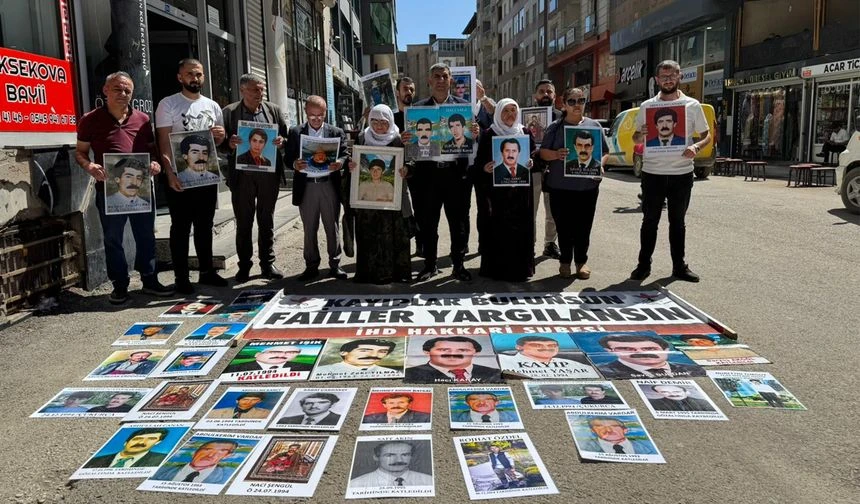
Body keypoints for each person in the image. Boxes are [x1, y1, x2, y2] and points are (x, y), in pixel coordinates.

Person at [75, 72, 173, 304]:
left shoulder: (143, 119)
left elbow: (151, 150)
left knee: (146, 235)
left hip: (140, 189)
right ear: (105, 91)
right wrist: (89, 166)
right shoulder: (90, 120)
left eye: (127, 90)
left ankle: (149, 280)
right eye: (118, 89)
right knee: (113, 238)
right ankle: (120, 285)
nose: (123, 94)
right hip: (109, 190)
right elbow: (79, 152)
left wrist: (156, 163)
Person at [630, 60, 710, 283]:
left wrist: (696, 146)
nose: (667, 80)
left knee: (678, 222)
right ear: (656, 79)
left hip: (682, 174)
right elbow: (636, 137)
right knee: (649, 221)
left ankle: (679, 267)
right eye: (663, 76)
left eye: (671, 75)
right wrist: (640, 134)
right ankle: (643, 266)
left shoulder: (692, 105)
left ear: (679, 77)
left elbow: (707, 136)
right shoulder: (646, 107)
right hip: (652, 172)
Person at [155, 58, 227, 294]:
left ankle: (206, 271)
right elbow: (164, 141)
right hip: (180, 176)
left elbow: (218, 141)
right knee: (181, 227)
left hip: (206, 175)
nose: (194, 79)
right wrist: (169, 173)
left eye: (198, 74)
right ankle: (181, 276)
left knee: (205, 225)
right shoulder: (168, 104)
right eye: (189, 74)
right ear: (180, 77)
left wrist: (220, 135)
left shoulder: (213, 105)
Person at [406, 63, 473, 282]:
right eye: (437, 76)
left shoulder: (464, 107)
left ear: (451, 80)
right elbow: (411, 146)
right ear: (429, 80)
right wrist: (405, 139)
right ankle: (429, 264)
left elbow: (471, 142)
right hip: (428, 176)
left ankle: (459, 265)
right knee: (428, 223)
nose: (441, 80)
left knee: (458, 223)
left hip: (455, 175)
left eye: (445, 76)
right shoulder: (418, 109)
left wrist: (476, 133)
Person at [222, 73, 290, 282]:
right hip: (242, 178)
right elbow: (220, 143)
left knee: (266, 220)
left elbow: (285, 137)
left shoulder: (273, 111)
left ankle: (267, 264)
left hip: (268, 176)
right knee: (244, 222)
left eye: (261, 89)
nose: (259, 93)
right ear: (242, 90)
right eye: (254, 90)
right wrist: (230, 144)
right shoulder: (230, 113)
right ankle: (244, 267)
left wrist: (281, 141)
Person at [540, 87, 607, 280]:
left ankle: (581, 262)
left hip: (587, 188)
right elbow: (542, 152)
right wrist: (555, 154)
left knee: (583, 226)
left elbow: (604, 151)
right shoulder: (555, 127)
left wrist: (600, 165)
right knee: (563, 226)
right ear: (564, 104)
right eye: (572, 101)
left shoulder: (594, 125)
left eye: (581, 100)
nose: (577, 105)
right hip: (560, 187)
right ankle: (564, 262)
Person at [286, 95, 348, 282]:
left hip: (328, 184)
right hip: (307, 187)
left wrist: (340, 162)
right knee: (309, 228)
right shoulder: (295, 132)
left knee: (332, 226)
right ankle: (311, 266)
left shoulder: (336, 132)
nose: (316, 119)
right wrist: (295, 164)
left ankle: (335, 264)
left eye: (320, 115)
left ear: (325, 113)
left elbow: (345, 153)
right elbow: (287, 158)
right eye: (312, 116)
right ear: (305, 113)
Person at [349, 104, 413, 284]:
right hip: (367, 202)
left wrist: (407, 169)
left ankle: (397, 275)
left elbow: (412, 160)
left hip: (394, 200)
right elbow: (353, 159)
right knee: (369, 236)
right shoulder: (362, 138)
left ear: (390, 122)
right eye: (375, 121)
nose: (378, 126)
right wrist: (351, 165)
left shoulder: (399, 140)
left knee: (394, 237)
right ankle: (368, 274)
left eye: (383, 122)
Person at [473, 99, 535, 281]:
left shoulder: (525, 132)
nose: (510, 114)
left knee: (520, 230)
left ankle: (520, 270)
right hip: (497, 195)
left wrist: (532, 162)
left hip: (520, 193)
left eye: (513, 110)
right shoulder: (489, 133)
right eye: (506, 111)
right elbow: (478, 163)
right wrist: (485, 168)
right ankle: (496, 270)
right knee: (497, 230)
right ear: (498, 113)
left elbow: (533, 157)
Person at [392, 76, 424, 258]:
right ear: (397, 92)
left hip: (418, 168)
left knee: (420, 208)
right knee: (401, 209)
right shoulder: (390, 116)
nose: (409, 92)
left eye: (411, 89)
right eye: (405, 89)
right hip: (396, 170)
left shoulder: (420, 115)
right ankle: (400, 247)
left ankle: (421, 245)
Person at [531, 79, 561, 259]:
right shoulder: (525, 116)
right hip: (532, 169)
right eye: (541, 91)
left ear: (555, 96)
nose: (545, 95)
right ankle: (529, 243)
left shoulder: (563, 117)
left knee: (553, 211)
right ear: (536, 96)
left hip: (555, 170)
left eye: (549, 92)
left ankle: (550, 243)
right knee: (530, 210)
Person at [595, 333, 703, 379]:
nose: (640, 353)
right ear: (609, 351)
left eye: (650, 349)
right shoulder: (601, 371)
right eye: (626, 349)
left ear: (666, 350)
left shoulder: (693, 369)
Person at [405, 336, 501, 383]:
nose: (453, 354)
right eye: (444, 350)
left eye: (463, 350)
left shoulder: (494, 373)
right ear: (426, 352)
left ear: (476, 353)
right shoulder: (409, 373)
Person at [497, 335, 597, 375]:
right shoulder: (502, 359)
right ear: (519, 347)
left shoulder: (574, 364)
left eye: (552, 345)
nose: (546, 348)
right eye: (536, 345)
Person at [349, 441, 433, 487]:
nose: (399, 460)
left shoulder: (429, 481)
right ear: (376, 457)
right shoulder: (356, 484)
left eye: (405, 455)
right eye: (390, 455)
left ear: (411, 456)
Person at [152, 440, 238, 483]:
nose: (210, 455)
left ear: (226, 456)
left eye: (221, 452)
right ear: (195, 452)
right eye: (207, 450)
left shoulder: (230, 474)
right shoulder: (160, 470)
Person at [84, 428, 169, 468]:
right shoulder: (94, 461)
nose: (142, 442)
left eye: (151, 439)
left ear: (158, 442)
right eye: (137, 439)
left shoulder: (162, 460)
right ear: (126, 442)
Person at [313, 339, 399, 375]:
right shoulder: (320, 371)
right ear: (343, 352)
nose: (374, 355)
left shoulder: (393, 372)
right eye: (365, 350)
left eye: (382, 351)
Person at [581, 417, 657, 455]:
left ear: (625, 430)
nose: (609, 430)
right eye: (600, 426)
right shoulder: (584, 447)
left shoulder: (647, 447)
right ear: (593, 431)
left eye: (614, 426)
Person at [223, 345, 311, 373]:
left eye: (291, 352)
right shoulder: (233, 369)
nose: (282, 355)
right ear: (257, 354)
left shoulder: (307, 368)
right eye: (273, 352)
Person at [277, 392, 342, 426]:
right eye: (308, 403)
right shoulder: (285, 420)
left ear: (332, 405)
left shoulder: (340, 420)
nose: (314, 406)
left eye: (322, 403)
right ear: (302, 406)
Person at [362, 393, 431, 424]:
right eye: (391, 403)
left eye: (401, 402)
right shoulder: (368, 419)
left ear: (409, 404)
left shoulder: (425, 418)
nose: (396, 405)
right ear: (384, 405)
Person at [451, 392, 518, 423]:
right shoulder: (454, 418)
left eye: (487, 399)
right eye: (475, 399)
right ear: (467, 403)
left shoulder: (514, 416)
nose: (482, 403)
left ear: (496, 402)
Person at [648, 384, 714, 411]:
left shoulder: (703, 402)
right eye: (665, 392)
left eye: (676, 391)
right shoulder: (652, 402)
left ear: (686, 392)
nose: (672, 394)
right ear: (659, 393)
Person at [93, 351, 158, 376]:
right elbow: (104, 370)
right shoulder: (118, 363)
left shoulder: (150, 364)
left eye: (144, 356)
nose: (140, 357)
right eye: (138, 356)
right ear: (130, 356)